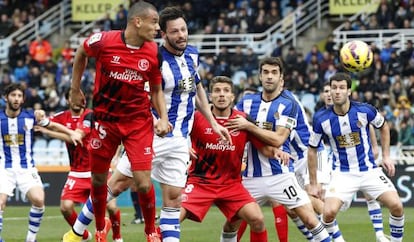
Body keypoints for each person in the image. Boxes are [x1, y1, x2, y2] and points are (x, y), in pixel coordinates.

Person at [63, 5, 230, 242]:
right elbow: (144, 95)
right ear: (164, 34)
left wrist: (212, 122)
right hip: (152, 135)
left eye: (184, 30)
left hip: (180, 139)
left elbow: (197, 88)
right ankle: (76, 233)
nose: (181, 35)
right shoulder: (154, 55)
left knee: (173, 199)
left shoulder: (192, 54)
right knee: (116, 184)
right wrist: (156, 122)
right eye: (175, 31)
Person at [65, 1, 171, 242]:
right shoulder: (103, 41)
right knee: (99, 179)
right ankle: (101, 227)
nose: (158, 28)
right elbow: (81, 53)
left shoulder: (154, 52)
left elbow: (155, 90)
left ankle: (150, 231)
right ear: (137, 21)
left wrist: (163, 118)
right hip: (106, 121)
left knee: (144, 183)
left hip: (137, 123)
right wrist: (74, 89)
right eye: (154, 22)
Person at [224, 57, 331, 242]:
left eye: (274, 73)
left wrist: (249, 126)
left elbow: (279, 138)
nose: (269, 77)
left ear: (281, 77)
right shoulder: (247, 102)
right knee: (232, 222)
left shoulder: (288, 104)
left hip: (280, 175)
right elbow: (228, 123)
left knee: (309, 218)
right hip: (250, 177)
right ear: (259, 76)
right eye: (265, 72)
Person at [180, 76, 291, 242]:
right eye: (217, 91)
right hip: (200, 183)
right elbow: (174, 134)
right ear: (210, 96)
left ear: (233, 97)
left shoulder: (242, 120)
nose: (221, 95)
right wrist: (182, 146)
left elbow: (263, 147)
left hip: (231, 185)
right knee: (173, 218)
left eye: (226, 91)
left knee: (257, 220)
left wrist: (276, 151)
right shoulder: (196, 117)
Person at [308, 72, 405, 242]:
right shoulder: (320, 119)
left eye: (342, 88)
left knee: (397, 206)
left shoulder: (364, 110)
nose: (337, 91)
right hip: (342, 174)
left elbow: (383, 126)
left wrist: (386, 156)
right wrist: (314, 183)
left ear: (349, 92)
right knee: (328, 212)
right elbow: (312, 150)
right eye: (334, 88)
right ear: (329, 91)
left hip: (369, 170)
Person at [34, 90, 123, 242]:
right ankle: (84, 235)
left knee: (112, 207)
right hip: (76, 171)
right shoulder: (62, 116)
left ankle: (117, 237)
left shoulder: (90, 115)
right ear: (68, 100)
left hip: (98, 170)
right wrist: (40, 115)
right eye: (73, 97)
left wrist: (50, 130)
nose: (77, 100)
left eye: (81, 97)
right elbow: (45, 121)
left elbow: (76, 136)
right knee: (65, 207)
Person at [0, 83, 46, 242]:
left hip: (26, 168)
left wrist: (42, 114)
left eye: (19, 96)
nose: (16, 99)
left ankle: (30, 239)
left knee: (39, 200)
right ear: (6, 97)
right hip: (4, 168)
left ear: (23, 99)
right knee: (0, 202)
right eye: (13, 95)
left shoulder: (30, 116)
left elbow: (48, 121)